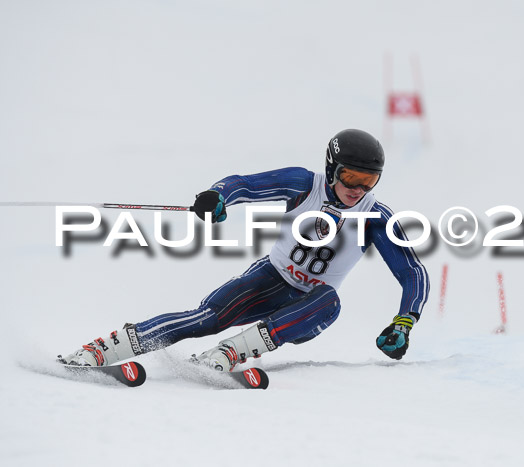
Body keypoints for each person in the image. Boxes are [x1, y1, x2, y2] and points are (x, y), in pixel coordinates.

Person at [60, 129, 430, 371]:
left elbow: (413, 272)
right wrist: (217, 196)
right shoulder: (304, 184)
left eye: (369, 180)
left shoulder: (374, 216)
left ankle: (229, 353)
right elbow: (244, 185)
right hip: (269, 277)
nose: (358, 189)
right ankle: (104, 349)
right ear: (332, 169)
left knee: (329, 298)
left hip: (306, 310)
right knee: (205, 318)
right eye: (351, 177)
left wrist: (405, 321)